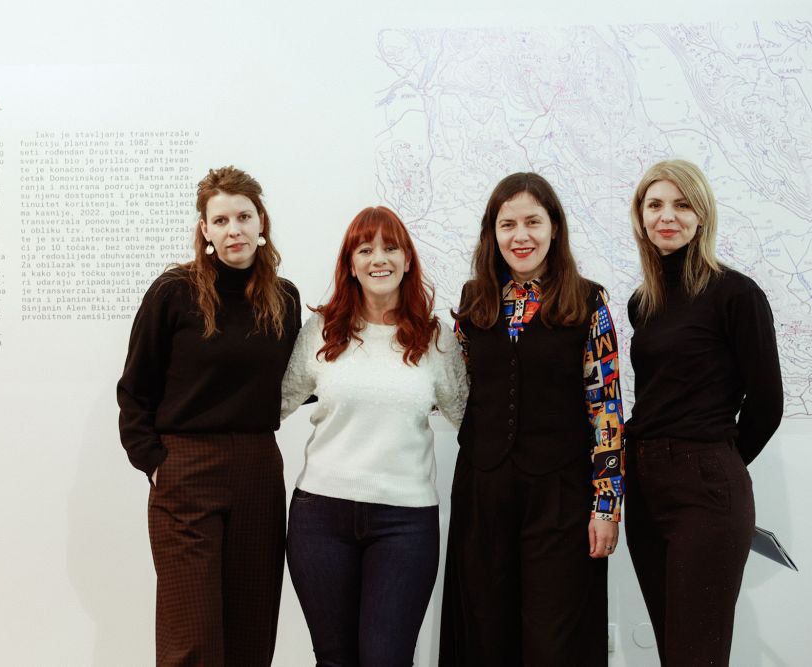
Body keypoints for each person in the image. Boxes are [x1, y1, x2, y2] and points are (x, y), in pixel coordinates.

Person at [116, 166, 301, 667]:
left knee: (250, 628)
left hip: (259, 467)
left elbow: (293, 381)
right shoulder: (174, 291)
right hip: (187, 468)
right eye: (220, 220)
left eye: (243, 217)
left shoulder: (284, 298)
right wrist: (155, 463)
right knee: (191, 634)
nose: (233, 229)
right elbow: (135, 387)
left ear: (261, 223)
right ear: (205, 230)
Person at [439, 172, 625, 666]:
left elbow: (606, 408)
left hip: (560, 499)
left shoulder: (588, 302)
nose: (520, 236)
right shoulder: (474, 302)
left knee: (553, 643)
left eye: (532, 222)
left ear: (554, 228)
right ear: (492, 233)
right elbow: (456, 388)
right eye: (507, 225)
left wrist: (606, 507)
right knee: (485, 638)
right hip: (483, 493)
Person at [280, 206, 467, 666]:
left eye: (390, 248)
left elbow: (471, 420)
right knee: (335, 658)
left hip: (405, 524)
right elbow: (274, 404)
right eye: (365, 249)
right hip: (320, 518)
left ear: (407, 260)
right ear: (350, 264)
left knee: (387, 658)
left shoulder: (436, 340)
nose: (378, 259)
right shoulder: (321, 332)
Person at [624, 159, 783, 666]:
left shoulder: (736, 294)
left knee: (696, 655)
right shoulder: (642, 302)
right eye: (654, 205)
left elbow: (767, 403)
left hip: (706, 489)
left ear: (702, 215)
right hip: (644, 486)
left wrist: (715, 462)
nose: (667, 216)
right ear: (641, 217)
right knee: (673, 650)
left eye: (681, 204)